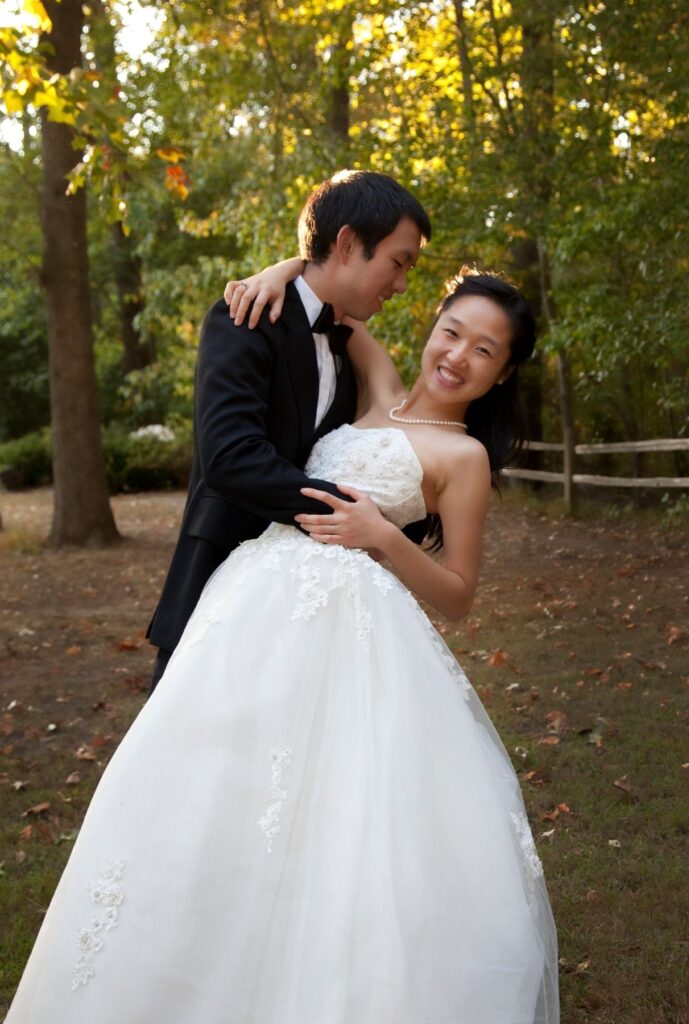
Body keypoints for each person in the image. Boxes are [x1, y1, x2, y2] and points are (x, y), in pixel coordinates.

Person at [4, 269, 559, 1024]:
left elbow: (459, 593)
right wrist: (282, 268)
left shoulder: (463, 461)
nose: (458, 355)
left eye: (484, 350)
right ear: (433, 326)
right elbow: (335, 291)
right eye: (452, 331)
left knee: (331, 807)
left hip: (353, 636)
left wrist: (383, 537)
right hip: (253, 602)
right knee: (209, 777)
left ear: (502, 372)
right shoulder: (379, 383)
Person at [146, 169, 431, 690]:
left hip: (307, 614)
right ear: (348, 243)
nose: (402, 283)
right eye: (398, 262)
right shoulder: (245, 318)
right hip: (215, 587)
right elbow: (231, 457)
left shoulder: (351, 347)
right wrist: (346, 514)